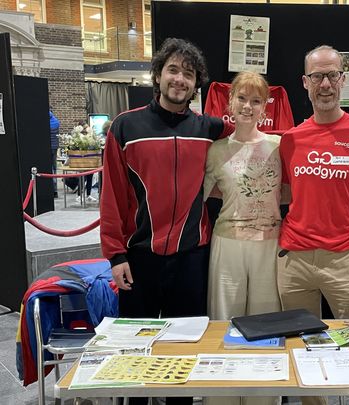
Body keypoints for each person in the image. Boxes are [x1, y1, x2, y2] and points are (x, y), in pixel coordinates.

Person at [100, 37, 233, 405]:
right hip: (139, 257)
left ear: (196, 84)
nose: (180, 80)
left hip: (191, 257)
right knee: (135, 353)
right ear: (158, 75)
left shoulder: (210, 129)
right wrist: (115, 256)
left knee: (183, 350)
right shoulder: (125, 127)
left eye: (188, 74)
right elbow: (111, 195)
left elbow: (258, 141)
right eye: (173, 70)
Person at [278, 45, 349, 405]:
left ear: (343, 79)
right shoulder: (290, 139)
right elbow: (281, 195)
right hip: (293, 262)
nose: (325, 83)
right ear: (305, 82)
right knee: (303, 353)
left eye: (332, 75)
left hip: (343, 261)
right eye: (317, 76)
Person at [204, 71, 282, 405]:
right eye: (242, 98)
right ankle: (223, 397)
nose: (248, 106)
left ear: (265, 106)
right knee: (224, 322)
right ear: (229, 101)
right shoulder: (216, 150)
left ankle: (262, 398)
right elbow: (196, 199)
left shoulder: (280, 146)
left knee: (267, 327)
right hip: (228, 244)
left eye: (256, 100)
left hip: (269, 245)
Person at [49, 109, 60, 198]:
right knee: (54, 168)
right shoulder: (56, 121)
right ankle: (55, 190)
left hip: (48, 147)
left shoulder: (46, 122)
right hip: (55, 147)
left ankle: (52, 189)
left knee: (49, 169)